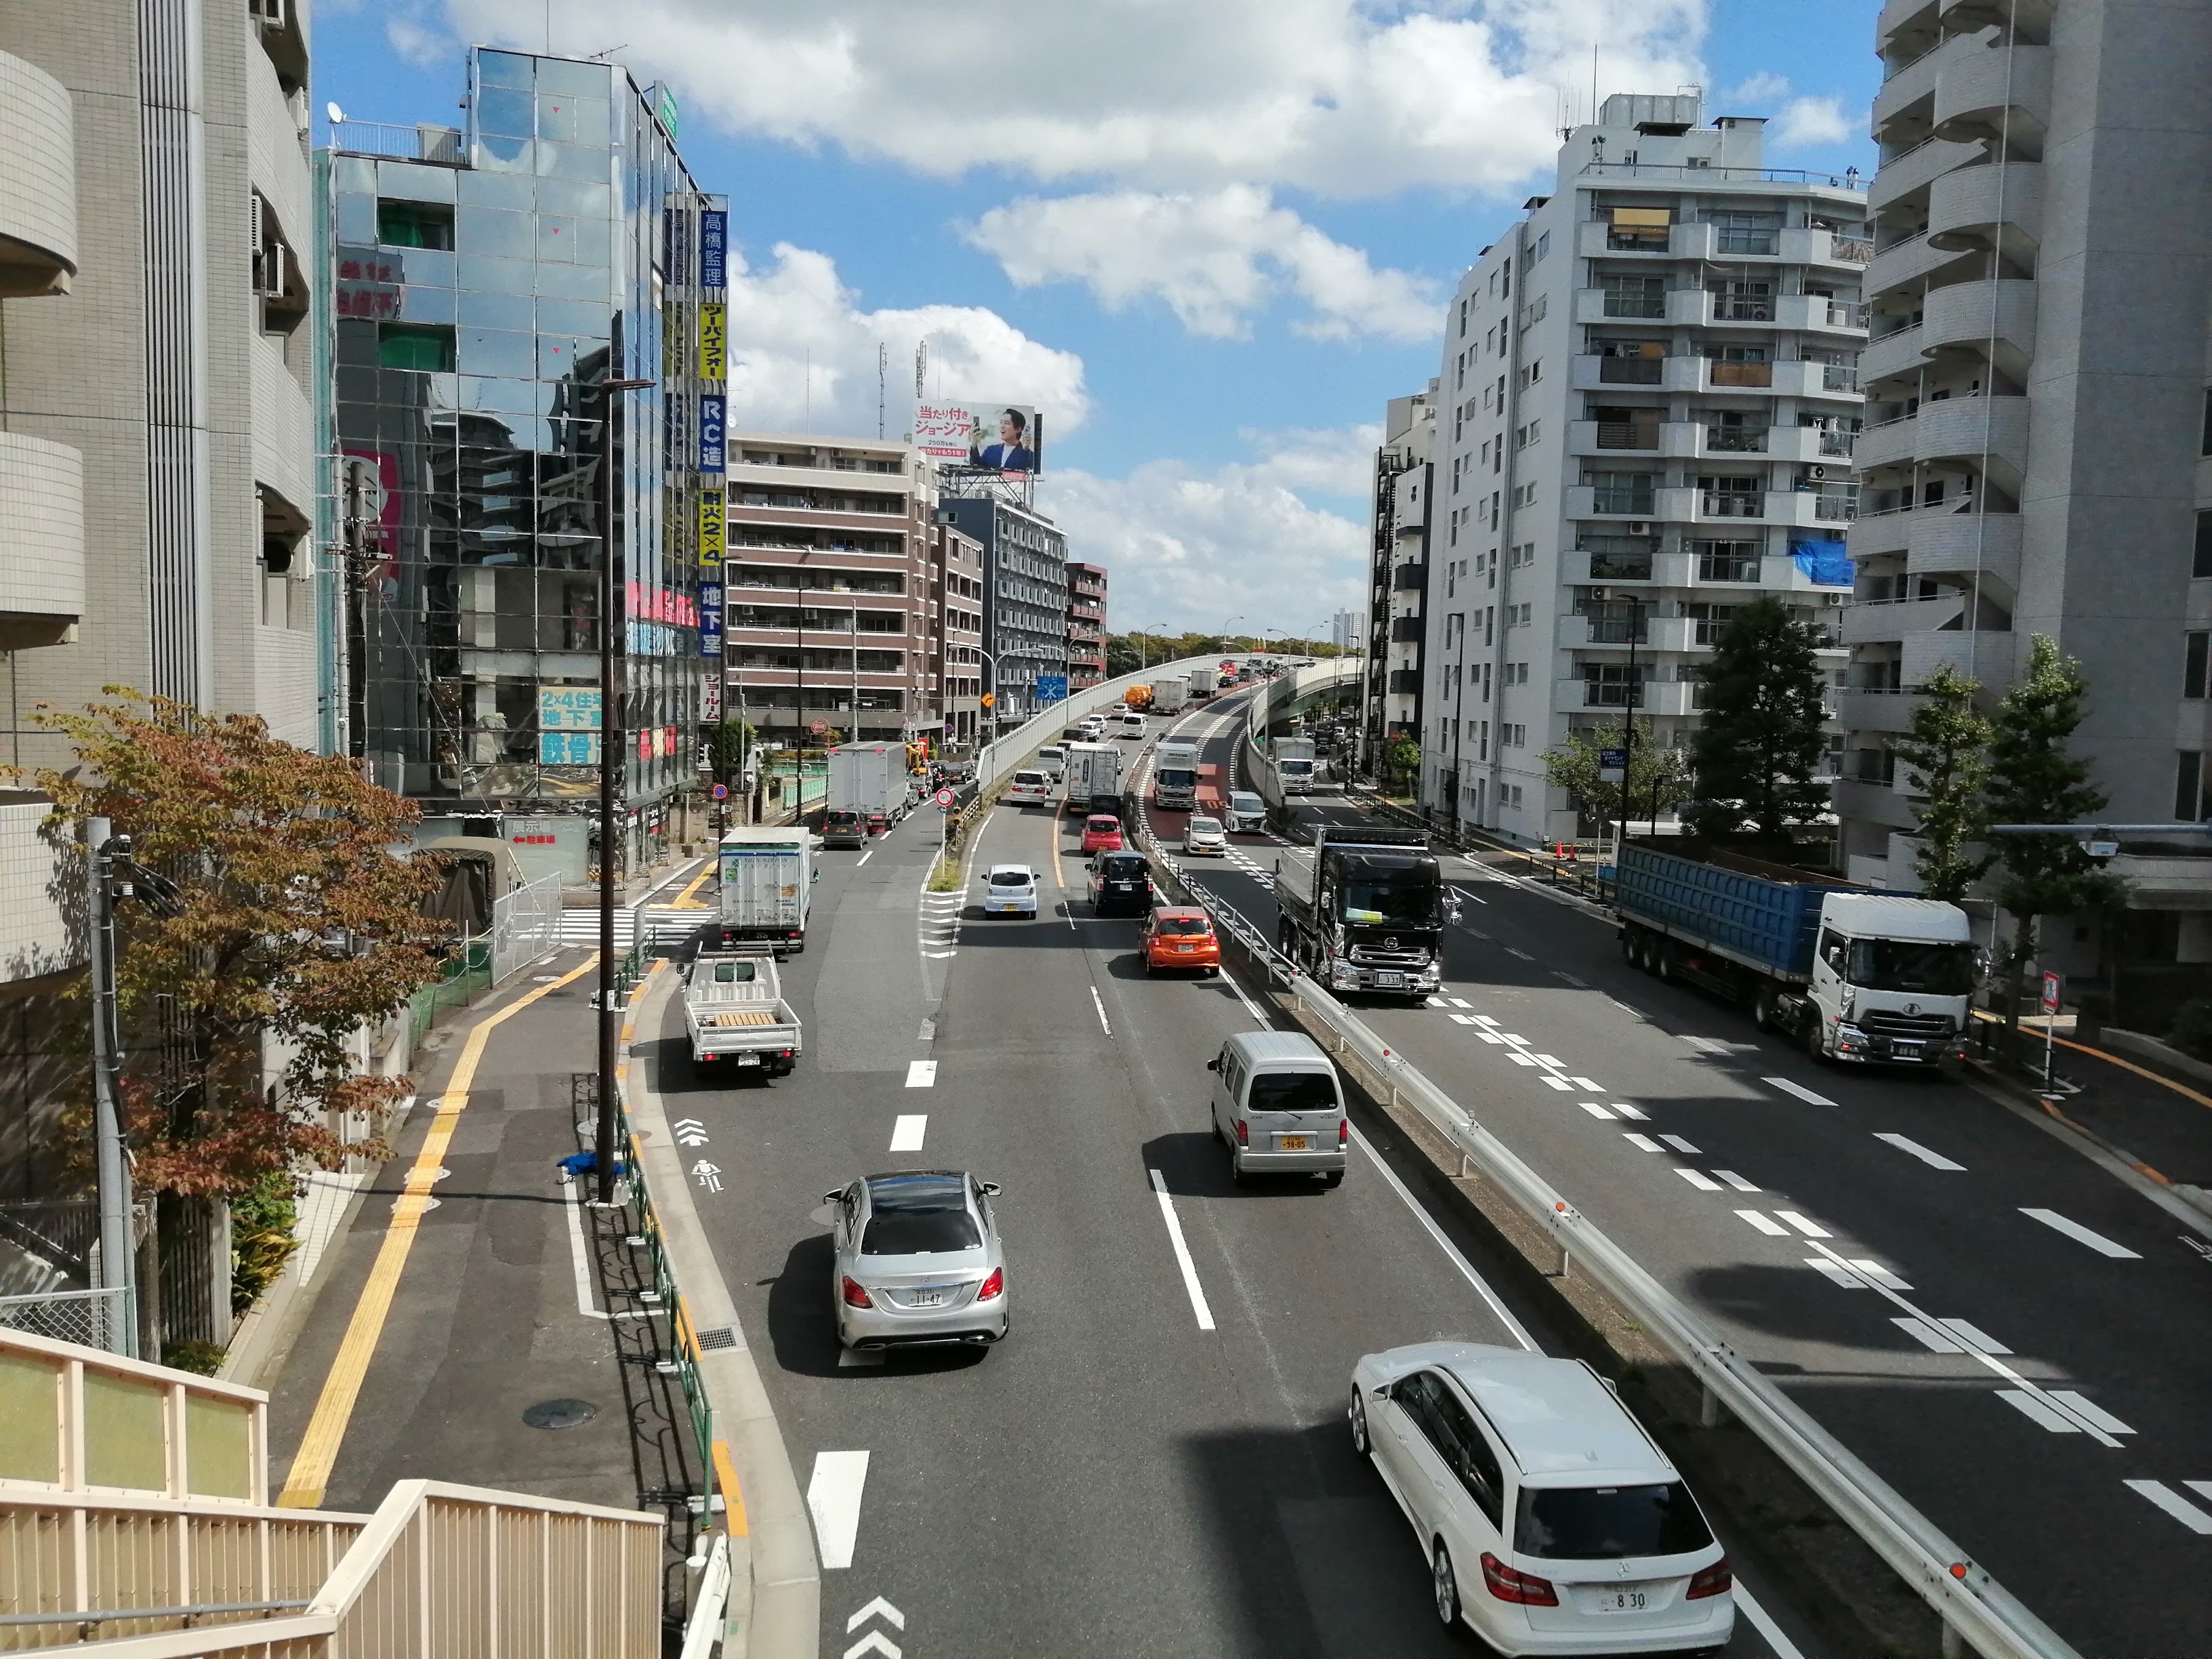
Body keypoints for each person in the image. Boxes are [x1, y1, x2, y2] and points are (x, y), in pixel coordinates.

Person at [972, 408, 1038, 471]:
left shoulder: (1028, 454)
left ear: (1018, 429)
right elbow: (977, 467)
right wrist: (974, 445)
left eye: (1006, 423)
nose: (1002, 426)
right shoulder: (991, 450)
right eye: (1001, 423)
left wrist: (1025, 450)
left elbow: (1029, 471)